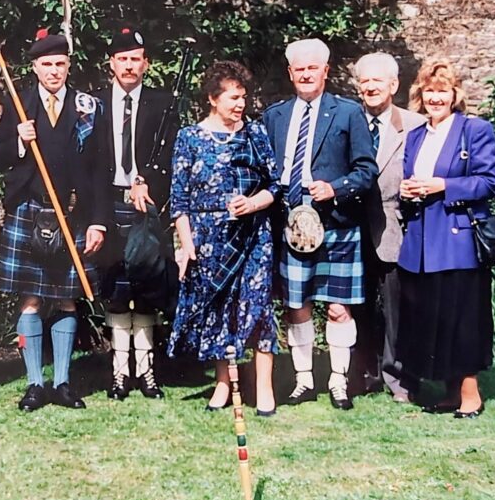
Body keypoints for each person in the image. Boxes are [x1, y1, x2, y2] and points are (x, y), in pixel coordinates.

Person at [0, 31, 109, 411]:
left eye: (60, 64)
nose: (54, 71)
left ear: (68, 65)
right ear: (35, 68)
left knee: (67, 299)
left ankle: (62, 383)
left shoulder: (87, 105)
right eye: (46, 65)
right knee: (31, 299)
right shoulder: (20, 103)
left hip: (73, 213)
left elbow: (100, 169)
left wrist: (98, 221)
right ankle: (34, 384)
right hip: (31, 210)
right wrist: (20, 141)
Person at [263, 38, 377, 410]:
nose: (306, 74)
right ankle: (303, 380)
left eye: (314, 68)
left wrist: (336, 188)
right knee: (297, 305)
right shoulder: (275, 115)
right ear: (290, 73)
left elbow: (366, 170)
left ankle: (339, 381)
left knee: (339, 307)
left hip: (337, 224)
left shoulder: (347, 113)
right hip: (291, 224)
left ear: (326, 72)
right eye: (300, 69)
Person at [168, 61, 279, 415]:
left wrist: (253, 203)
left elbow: (276, 185)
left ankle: (264, 389)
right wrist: (187, 246)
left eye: (242, 97)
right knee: (218, 311)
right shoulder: (190, 137)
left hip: (252, 236)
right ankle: (223, 386)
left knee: (258, 307)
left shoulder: (256, 134)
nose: (239, 105)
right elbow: (179, 199)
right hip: (207, 239)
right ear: (212, 99)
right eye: (233, 98)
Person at [397, 59, 495, 419]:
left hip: (458, 243)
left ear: (455, 94)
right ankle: (449, 392)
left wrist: (443, 185)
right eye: (430, 91)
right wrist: (408, 190)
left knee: (460, 320)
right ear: (420, 95)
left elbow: (488, 182)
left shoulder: (475, 130)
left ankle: (470, 395)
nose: (436, 98)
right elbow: (411, 180)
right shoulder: (415, 135)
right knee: (434, 320)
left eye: (443, 91)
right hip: (422, 244)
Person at [92, 26, 176, 400]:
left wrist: (150, 186)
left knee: (143, 290)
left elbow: (171, 157)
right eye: (122, 59)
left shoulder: (163, 104)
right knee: (115, 290)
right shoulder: (93, 104)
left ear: (146, 64)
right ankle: (118, 373)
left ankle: (146, 373)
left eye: (135, 59)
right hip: (108, 204)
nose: (129, 66)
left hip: (146, 206)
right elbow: (89, 164)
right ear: (112, 63)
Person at [352, 52, 425, 404]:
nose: (370, 88)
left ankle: (399, 377)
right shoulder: (349, 120)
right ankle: (365, 373)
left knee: (398, 309)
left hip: (397, 229)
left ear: (393, 86)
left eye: (376, 81)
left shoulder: (415, 125)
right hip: (353, 230)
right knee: (360, 305)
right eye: (364, 82)